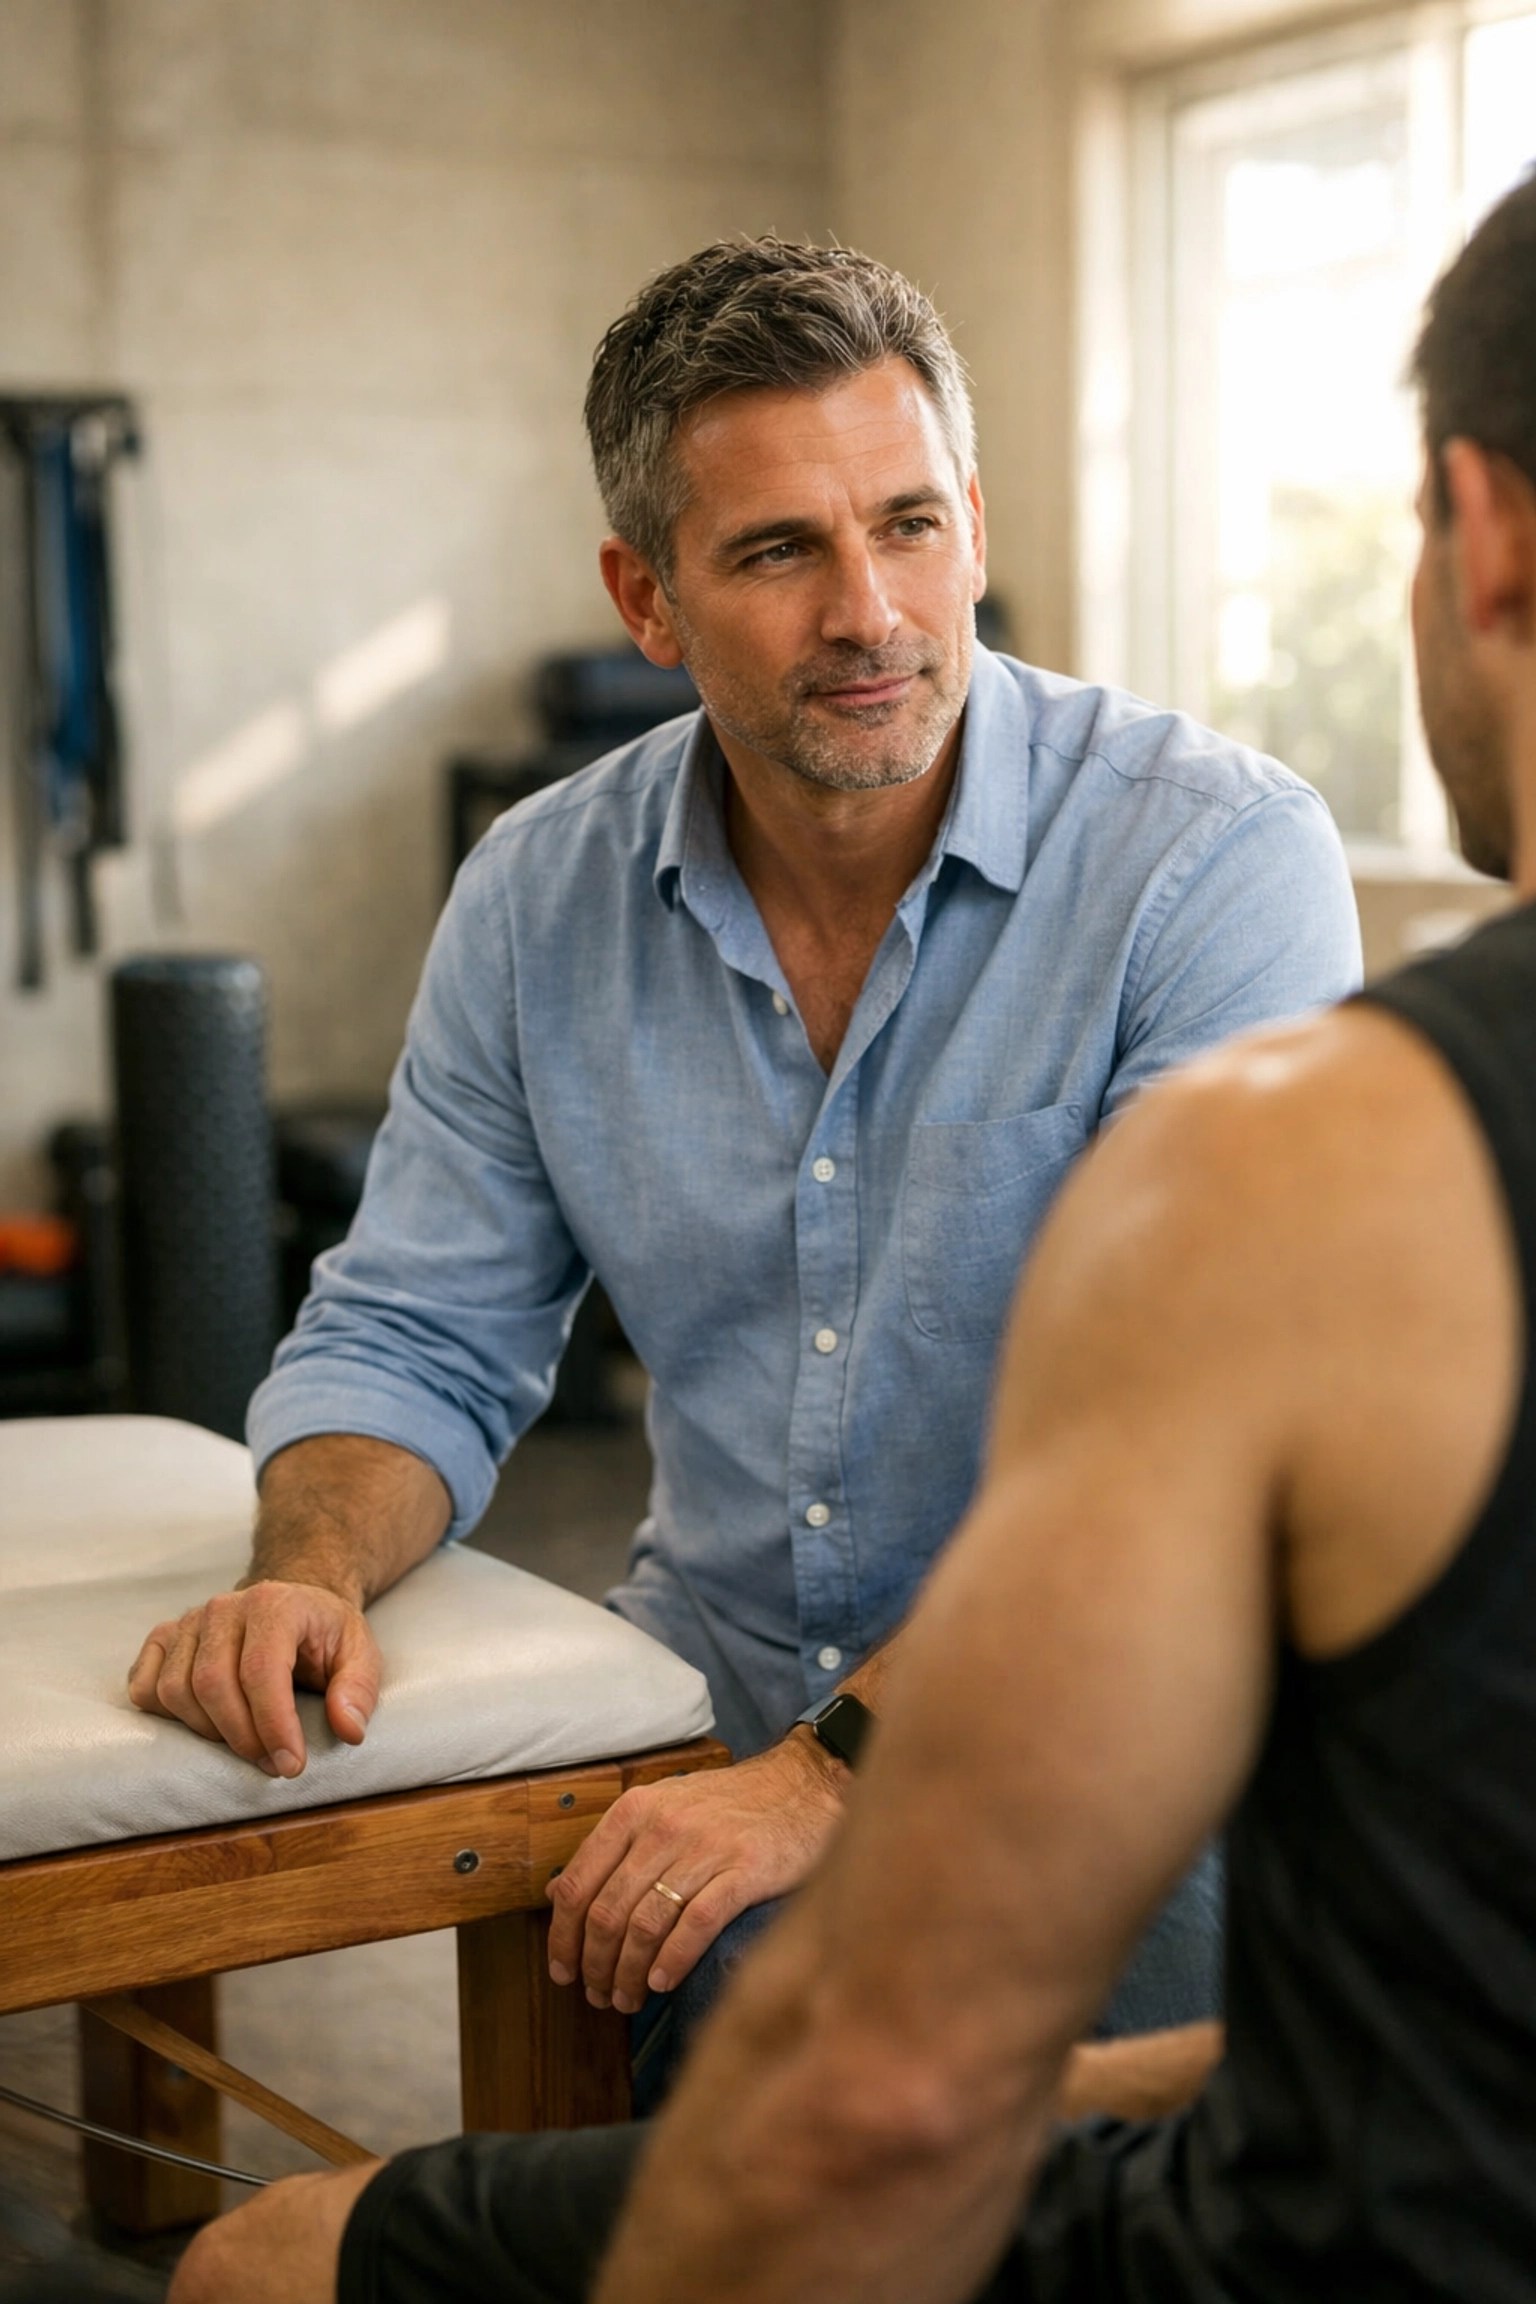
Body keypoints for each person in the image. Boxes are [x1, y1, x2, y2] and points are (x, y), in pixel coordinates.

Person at [164, 167, 1536, 2304]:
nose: (871, 611)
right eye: (779, 550)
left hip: (1125, 1820)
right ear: (644, 596)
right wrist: (309, 1566)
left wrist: (834, 1781)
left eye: (909, 525)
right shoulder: (537, 896)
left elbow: (1196, 1494)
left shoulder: (1209, 863)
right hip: (694, 1756)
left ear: (976, 524)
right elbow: (419, 1330)